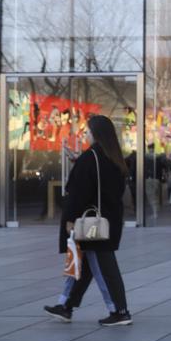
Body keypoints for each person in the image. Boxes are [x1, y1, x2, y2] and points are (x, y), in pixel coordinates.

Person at [44, 114, 132, 326]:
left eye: (88, 130)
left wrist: (71, 218)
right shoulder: (113, 157)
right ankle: (65, 305)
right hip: (107, 220)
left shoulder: (90, 157)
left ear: (97, 134)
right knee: (83, 263)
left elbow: (78, 192)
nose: (86, 134)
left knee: (102, 266)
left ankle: (119, 310)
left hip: (90, 222)